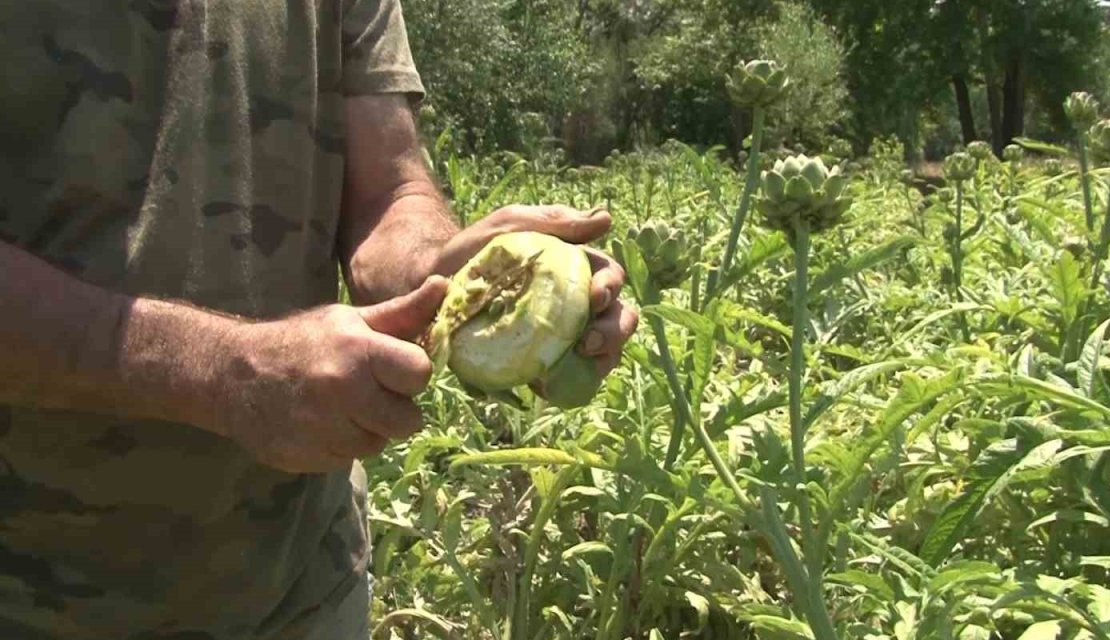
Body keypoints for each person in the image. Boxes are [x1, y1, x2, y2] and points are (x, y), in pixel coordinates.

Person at [0, 1, 639, 638]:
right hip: (41, 600)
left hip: (304, 585)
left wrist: (441, 274)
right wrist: (220, 374)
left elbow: (388, 191)